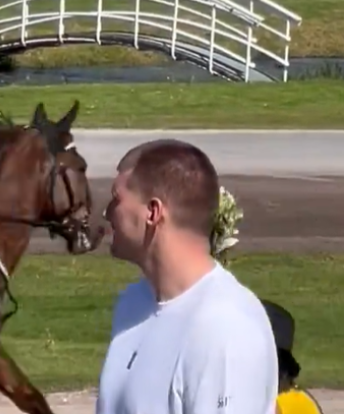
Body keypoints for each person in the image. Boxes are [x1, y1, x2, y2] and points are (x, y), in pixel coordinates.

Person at [96, 139, 278, 414]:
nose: (107, 212)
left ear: (153, 212)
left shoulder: (224, 328)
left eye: (116, 199)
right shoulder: (133, 304)